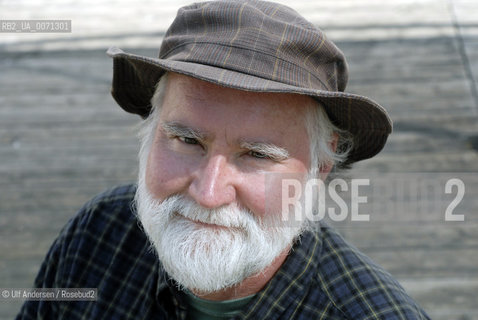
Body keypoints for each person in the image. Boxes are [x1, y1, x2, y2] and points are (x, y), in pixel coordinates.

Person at [17, 1, 430, 319]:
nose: (209, 193)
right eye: (186, 140)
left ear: (321, 166)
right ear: (150, 132)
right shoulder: (97, 235)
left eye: (256, 154)